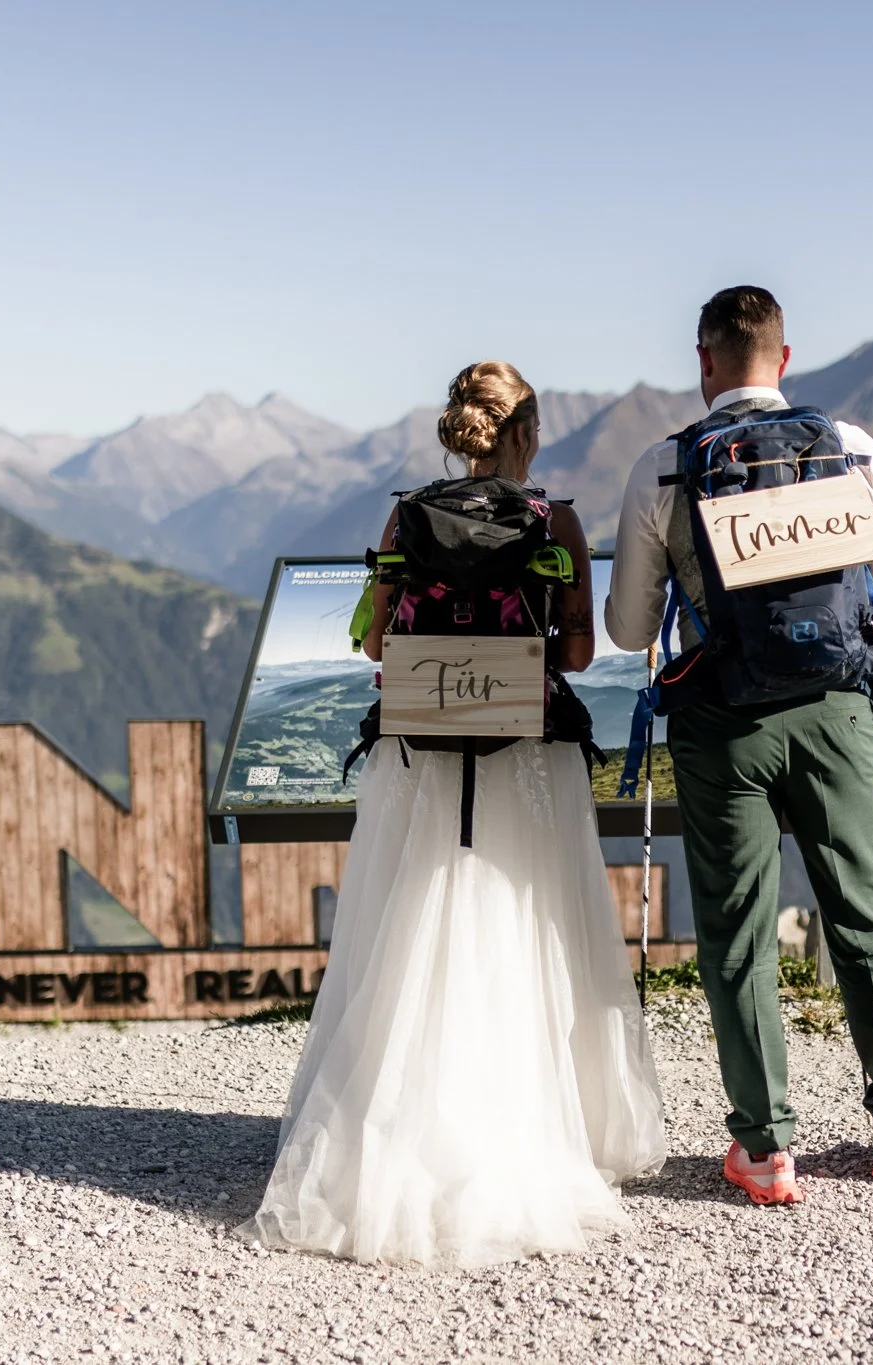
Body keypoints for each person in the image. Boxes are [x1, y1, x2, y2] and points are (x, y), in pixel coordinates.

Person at [245, 361, 667, 1265]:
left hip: (420, 748)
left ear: (457, 429)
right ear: (529, 430)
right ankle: (541, 1128)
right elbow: (583, 653)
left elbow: (371, 635)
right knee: (525, 928)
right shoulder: (555, 520)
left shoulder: (406, 517)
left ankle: (390, 1134)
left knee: (409, 930)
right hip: (526, 750)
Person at [604, 287, 873, 1206]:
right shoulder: (851, 448)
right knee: (864, 914)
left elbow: (632, 627)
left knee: (740, 934)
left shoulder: (663, 470)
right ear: (783, 360)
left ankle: (764, 1149)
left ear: (703, 362)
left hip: (722, 726)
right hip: (837, 716)